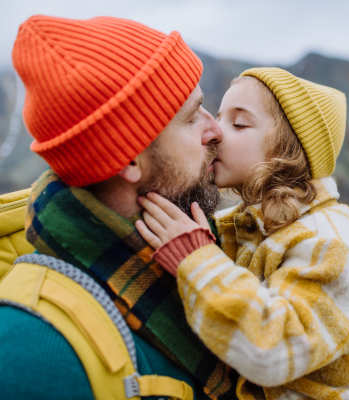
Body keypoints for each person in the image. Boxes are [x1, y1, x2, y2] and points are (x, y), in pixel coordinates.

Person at [135, 68, 349, 400]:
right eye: (220, 117)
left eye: (239, 124)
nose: (217, 132)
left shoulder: (325, 241)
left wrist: (196, 260)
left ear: (286, 153)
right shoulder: (249, 223)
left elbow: (272, 349)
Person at [0, 15, 238, 399]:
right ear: (128, 157)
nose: (215, 130)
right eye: (191, 116)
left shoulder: (208, 257)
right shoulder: (32, 347)